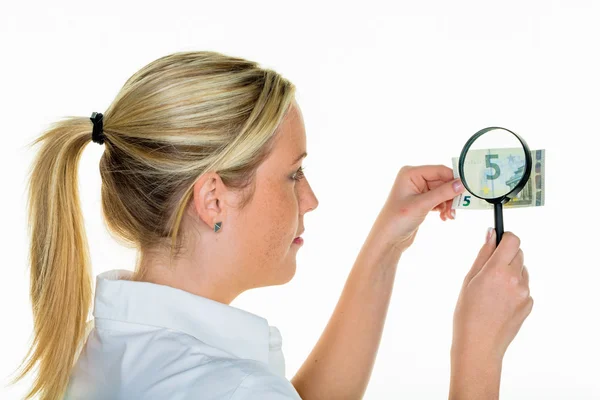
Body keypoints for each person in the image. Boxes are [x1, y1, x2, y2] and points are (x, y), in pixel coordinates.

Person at [11, 51, 533, 400]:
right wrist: (478, 354)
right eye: (294, 173)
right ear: (213, 199)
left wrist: (386, 246)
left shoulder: (108, 347)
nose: (311, 198)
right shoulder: (221, 386)